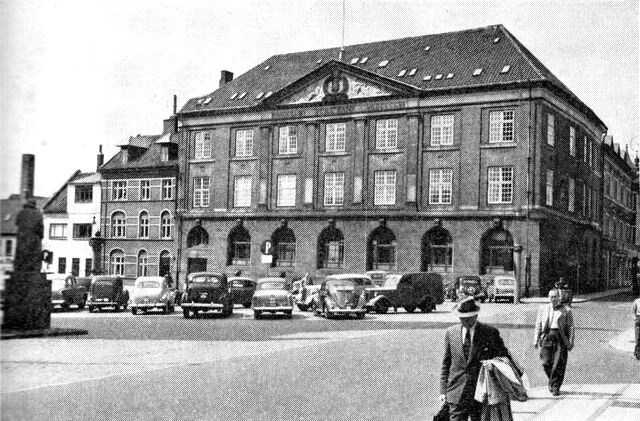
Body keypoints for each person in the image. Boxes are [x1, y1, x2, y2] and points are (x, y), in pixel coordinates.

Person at [440, 297, 510, 421]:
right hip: (456, 393)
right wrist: (443, 391)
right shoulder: (450, 333)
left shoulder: (489, 333)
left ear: (476, 316)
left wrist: (493, 364)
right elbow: (446, 363)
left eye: (468, 318)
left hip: (480, 393)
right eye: (461, 318)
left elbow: (504, 357)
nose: (464, 321)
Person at [533, 289, 575, 396]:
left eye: (555, 297)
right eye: (551, 297)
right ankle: (552, 381)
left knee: (558, 363)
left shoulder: (566, 310)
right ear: (548, 297)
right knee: (545, 362)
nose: (553, 299)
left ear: (559, 297)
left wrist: (570, 341)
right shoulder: (543, 308)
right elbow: (538, 324)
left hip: (560, 337)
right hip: (547, 336)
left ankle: (555, 386)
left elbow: (571, 326)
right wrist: (536, 339)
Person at [633, 296, 640, 360]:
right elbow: (633, 311)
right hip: (639, 319)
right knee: (638, 337)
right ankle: (638, 353)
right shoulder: (637, 301)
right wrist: (635, 319)